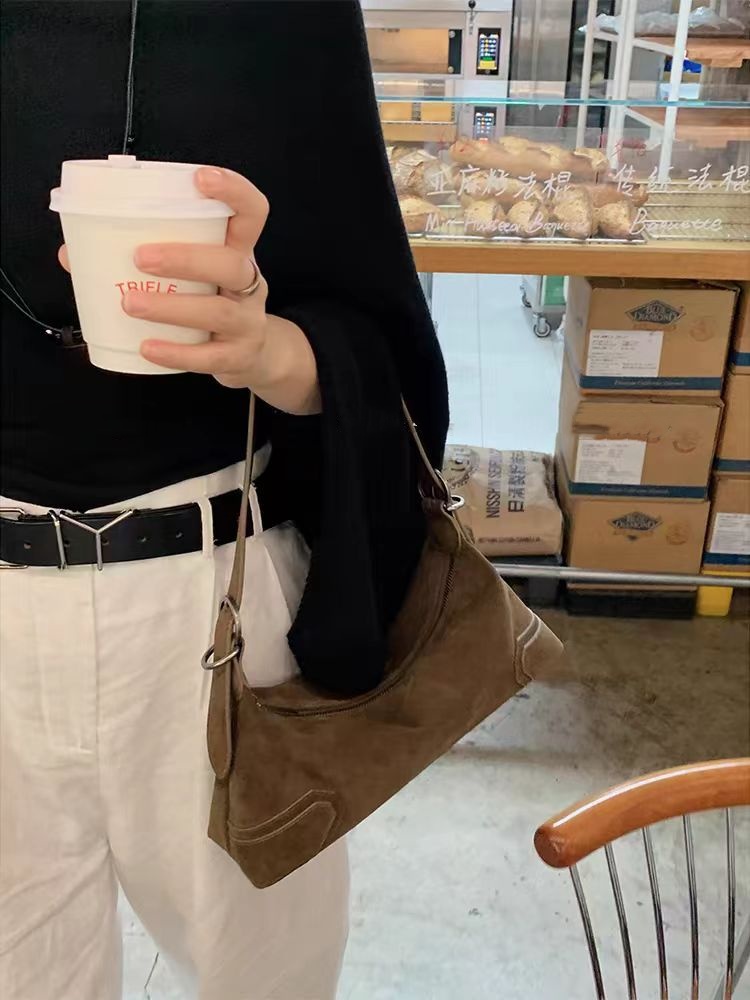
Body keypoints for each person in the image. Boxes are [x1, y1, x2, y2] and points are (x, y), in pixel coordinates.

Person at [0, 2, 449, 998]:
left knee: (265, 978)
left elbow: (377, 347)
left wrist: (268, 347)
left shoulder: (278, 18)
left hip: (213, 604)